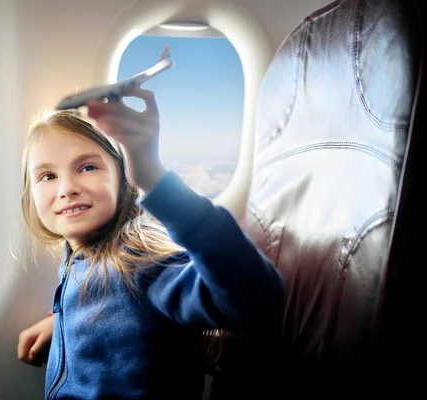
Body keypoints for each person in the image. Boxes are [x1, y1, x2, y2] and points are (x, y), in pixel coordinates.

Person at [17, 87, 285, 399]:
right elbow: (114, 314)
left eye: (88, 167)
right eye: (47, 176)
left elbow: (254, 300)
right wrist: (63, 324)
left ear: (123, 178)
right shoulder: (82, 253)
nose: (67, 188)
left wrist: (155, 179)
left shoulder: (141, 261)